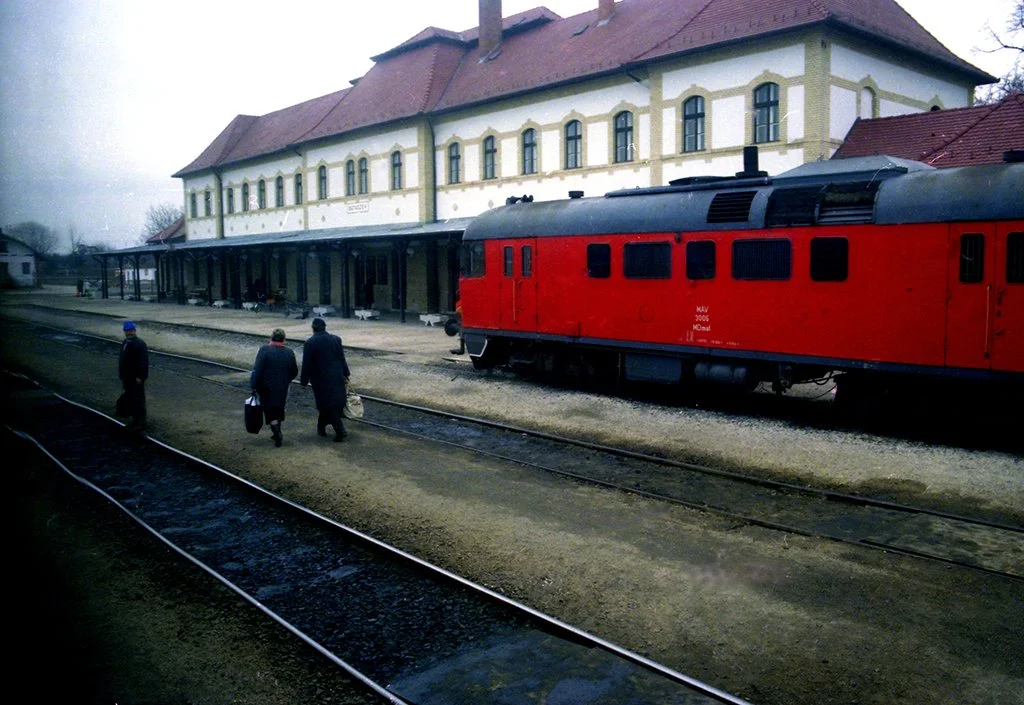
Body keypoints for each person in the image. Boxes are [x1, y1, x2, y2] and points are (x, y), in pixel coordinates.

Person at [300, 317, 351, 442]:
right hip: (336, 376)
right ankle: (321, 428)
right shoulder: (336, 340)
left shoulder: (310, 343)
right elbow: (341, 358)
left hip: (320, 380)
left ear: (313, 329)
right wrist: (346, 373)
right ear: (324, 327)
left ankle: (340, 431)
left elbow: (307, 364)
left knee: (327, 405)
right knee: (329, 404)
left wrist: (304, 381)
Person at [250, 328, 298, 447]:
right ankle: (277, 430)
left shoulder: (264, 350)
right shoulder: (289, 352)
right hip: (282, 387)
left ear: (271, 337)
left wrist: (254, 385)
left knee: (270, 411)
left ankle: (277, 433)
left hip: (266, 387)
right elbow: (294, 371)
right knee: (279, 409)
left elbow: (258, 370)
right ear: (283, 339)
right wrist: (286, 380)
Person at [119, 320, 149, 431]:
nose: (129, 333)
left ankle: (141, 423)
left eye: (131, 331)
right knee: (131, 399)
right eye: (127, 331)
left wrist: (140, 377)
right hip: (127, 377)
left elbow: (143, 362)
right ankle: (135, 421)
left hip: (136, 378)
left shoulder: (139, 344)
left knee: (138, 400)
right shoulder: (125, 343)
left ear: (135, 331)